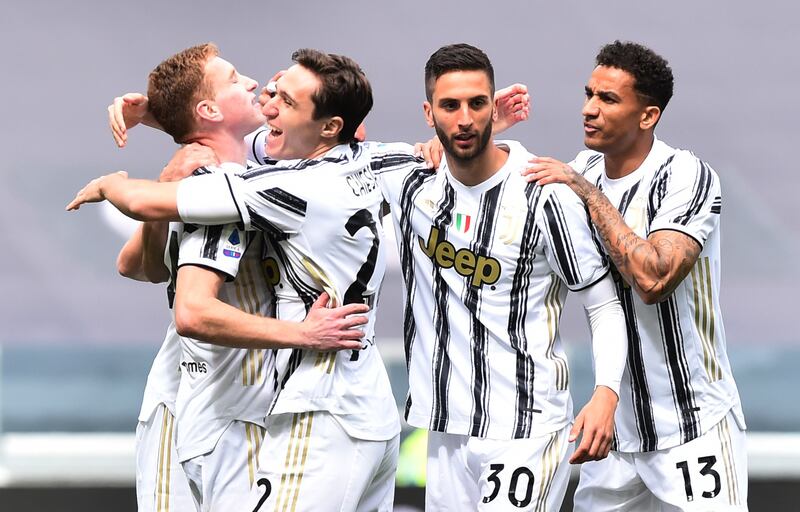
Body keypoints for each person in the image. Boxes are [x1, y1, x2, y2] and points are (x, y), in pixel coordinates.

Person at [98, 43, 371, 511]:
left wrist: (161, 116)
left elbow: (348, 133)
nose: (252, 82)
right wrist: (301, 334)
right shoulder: (210, 184)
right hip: (198, 398)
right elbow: (181, 303)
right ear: (208, 108)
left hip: (246, 400)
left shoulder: (255, 164)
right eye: (233, 78)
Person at [373, 43, 628, 511]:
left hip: (527, 427)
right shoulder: (411, 180)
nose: (465, 118)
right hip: (446, 425)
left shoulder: (544, 196)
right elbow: (321, 159)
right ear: (429, 113)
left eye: (477, 104)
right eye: (450, 106)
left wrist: (607, 394)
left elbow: (604, 305)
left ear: (495, 105)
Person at [525, 40, 747, 511]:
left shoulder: (685, 175)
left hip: (693, 426)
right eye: (588, 94)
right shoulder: (581, 169)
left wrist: (585, 191)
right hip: (614, 429)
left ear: (647, 116)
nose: (589, 109)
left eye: (607, 99)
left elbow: (653, 279)